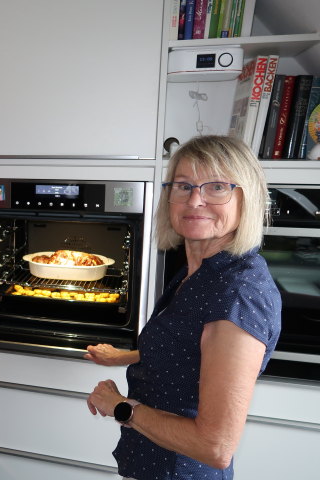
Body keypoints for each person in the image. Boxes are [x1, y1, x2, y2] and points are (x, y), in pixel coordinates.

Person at [85, 135, 281, 479]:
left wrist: (120, 407)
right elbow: (187, 349)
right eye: (183, 186)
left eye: (216, 187)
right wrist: (125, 356)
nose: (195, 200)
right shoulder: (201, 270)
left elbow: (215, 447)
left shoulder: (237, 293)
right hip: (154, 463)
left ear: (245, 198)